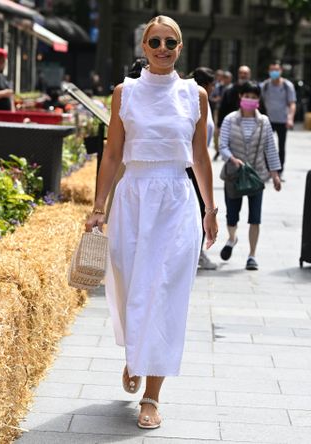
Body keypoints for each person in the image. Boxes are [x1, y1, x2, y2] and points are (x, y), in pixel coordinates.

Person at [85, 15, 218, 429]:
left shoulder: (194, 94)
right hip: (134, 198)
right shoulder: (125, 93)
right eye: (155, 41)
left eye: (171, 42)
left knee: (165, 291)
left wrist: (211, 209)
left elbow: (199, 156)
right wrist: (98, 206)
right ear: (143, 47)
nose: (163, 48)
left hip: (177, 200)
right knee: (128, 286)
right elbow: (111, 154)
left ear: (181, 48)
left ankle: (152, 394)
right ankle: (135, 355)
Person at [219, 81, 281, 270]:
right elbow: (222, 146)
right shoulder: (230, 119)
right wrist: (232, 159)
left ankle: (252, 255)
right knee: (231, 215)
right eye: (247, 96)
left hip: (257, 175)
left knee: (255, 217)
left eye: (254, 97)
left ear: (258, 100)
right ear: (240, 97)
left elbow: (270, 148)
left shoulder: (264, 122)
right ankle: (232, 238)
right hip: (234, 174)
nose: (250, 100)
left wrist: (275, 174)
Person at [187, 67, 217, 270]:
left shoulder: (201, 99)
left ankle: (196, 252)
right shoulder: (195, 99)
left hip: (197, 162)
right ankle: (196, 252)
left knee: (199, 208)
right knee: (197, 210)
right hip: (191, 165)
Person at [261, 61, 296, 178]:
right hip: (268, 120)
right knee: (266, 145)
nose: (274, 72)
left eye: (276, 70)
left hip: (282, 120)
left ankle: (280, 171)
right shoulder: (265, 85)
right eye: (272, 70)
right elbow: (259, 102)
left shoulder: (287, 85)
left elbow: (292, 103)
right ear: (269, 71)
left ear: (281, 71)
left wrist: (290, 118)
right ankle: (267, 169)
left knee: (281, 146)